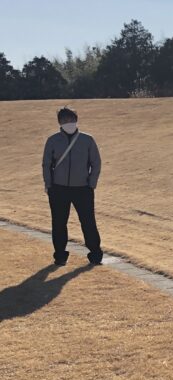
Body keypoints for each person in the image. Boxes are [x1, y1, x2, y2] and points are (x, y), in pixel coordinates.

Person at [41, 106, 103, 266]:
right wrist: (49, 184)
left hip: (83, 188)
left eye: (71, 119)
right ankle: (60, 255)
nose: (68, 122)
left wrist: (91, 184)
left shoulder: (87, 140)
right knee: (59, 223)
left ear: (76, 120)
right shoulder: (53, 140)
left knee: (88, 222)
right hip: (58, 188)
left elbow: (96, 163)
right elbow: (46, 164)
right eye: (64, 120)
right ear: (59, 122)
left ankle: (95, 254)